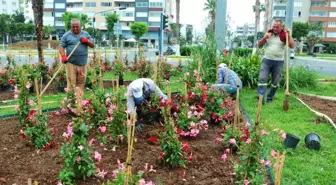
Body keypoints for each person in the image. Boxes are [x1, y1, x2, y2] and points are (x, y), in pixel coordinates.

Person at [257, 19, 295, 104]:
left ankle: (270, 98)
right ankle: (260, 99)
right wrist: (264, 38)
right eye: (274, 26)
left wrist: (289, 35)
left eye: (277, 27)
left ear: (281, 27)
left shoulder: (284, 35)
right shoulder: (268, 34)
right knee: (262, 79)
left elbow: (292, 45)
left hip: (278, 62)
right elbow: (259, 45)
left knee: (275, 82)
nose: (274, 28)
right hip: (266, 60)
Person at [59, 18, 94, 93]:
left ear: (80, 26)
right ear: (71, 27)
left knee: (81, 83)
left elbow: (92, 45)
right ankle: (71, 102)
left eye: (76, 26)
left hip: (83, 64)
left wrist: (87, 41)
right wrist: (63, 56)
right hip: (71, 63)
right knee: (71, 84)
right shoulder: (66, 35)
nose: (75, 28)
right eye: (73, 26)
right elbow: (61, 46)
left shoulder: (85, 34)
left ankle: (79, 102)